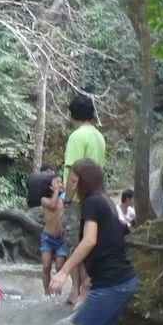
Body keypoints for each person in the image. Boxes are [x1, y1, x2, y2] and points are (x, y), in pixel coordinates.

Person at [49, 159, 140, 325]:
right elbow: (110, 241)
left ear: (80, 179)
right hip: (118, 280)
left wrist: (63, 272)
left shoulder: (92, 203)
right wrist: (89, 279)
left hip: (113, 282)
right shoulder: (105, 202)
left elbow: (89, 242)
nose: (68, 181)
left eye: (72, 176)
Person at [62, 93, 106, 305]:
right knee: (90, 243)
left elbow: (74, 172)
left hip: (79, 198)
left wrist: (68, 200)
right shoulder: (99, 136)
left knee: (74, 242)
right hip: (97, 196)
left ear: (72, 115)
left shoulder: (77, 137)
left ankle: (77, 290)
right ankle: (86, 288)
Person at [40, 175, 68, 296]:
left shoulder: (65, 200)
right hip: (47, 238)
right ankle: (47, 294)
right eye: (57, 182)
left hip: (61, 239)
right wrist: (57, 191)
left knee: (59, 266)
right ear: (50, 186)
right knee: (46, 266)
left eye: (61, 182)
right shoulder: (44, 200)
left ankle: (58, 293)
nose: (60, 184)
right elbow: (52, 205)